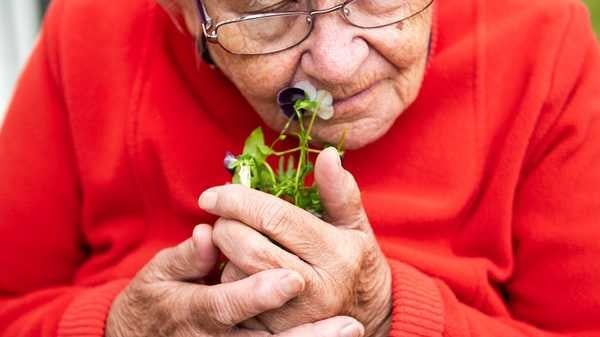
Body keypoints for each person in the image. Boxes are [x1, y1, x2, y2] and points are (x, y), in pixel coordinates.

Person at [0, 0, 599, 336]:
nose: (337, 65)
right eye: (266, 12)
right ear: (182, 12)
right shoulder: (91, 27)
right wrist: (118, 328)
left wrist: (387, 313)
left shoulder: (540, 33)